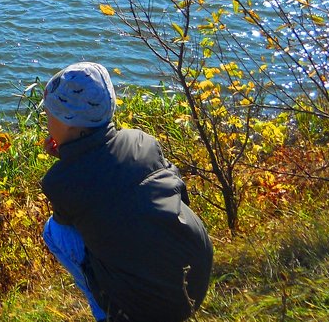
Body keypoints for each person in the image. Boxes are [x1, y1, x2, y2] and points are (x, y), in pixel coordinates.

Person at [40, 62, 213, 322]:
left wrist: (66, 160)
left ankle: (107, 313)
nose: (47, 121)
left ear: (67, 123)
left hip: (149, 310)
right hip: (196, 273)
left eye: (49, 114)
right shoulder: (141, 140)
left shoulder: (58, 182)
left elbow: (76, 207)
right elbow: (173, 187)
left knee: (55, 231)